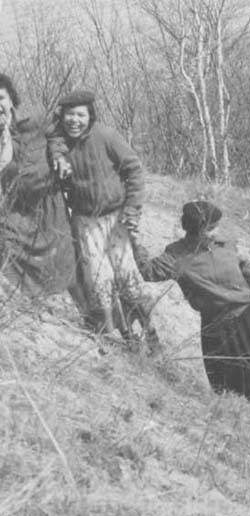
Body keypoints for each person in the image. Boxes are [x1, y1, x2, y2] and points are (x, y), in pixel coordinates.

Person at [133, 200, 250, 410]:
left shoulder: (226, 243)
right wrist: (135, 245)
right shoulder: (177, 256)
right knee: (232, 383)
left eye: (217, 226)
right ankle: (242, 418)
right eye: (211, 228)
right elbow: (149, 272)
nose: (216, 232)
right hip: (219, 327)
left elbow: (244, 265)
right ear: (196, 230)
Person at [45, 89, 156, 343]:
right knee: (98, 278)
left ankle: (148, 333)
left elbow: (133, 169)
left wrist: (132, 208)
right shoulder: (59, 140)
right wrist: (58, 155)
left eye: (80, 115)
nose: (74, 120)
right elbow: (51, 136)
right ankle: (113, 334)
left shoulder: (105, 135)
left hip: (116, 217)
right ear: (62, 116)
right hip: (85, 220)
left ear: (90, 116)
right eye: (69, 115)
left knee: (128, 276)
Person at [0, 74, 80, 301]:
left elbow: (57, 134)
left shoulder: (33, 121)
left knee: (66, 260)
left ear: (11, 100)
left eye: (1, 98)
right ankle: (25, 304)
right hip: (17, 209)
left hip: (48, 204)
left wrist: (58, 156)